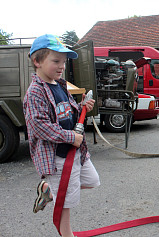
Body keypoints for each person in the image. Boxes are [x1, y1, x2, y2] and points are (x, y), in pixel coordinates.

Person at [23, 34, 100, 237]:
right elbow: (39, 125)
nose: (61, 66)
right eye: (56, 61)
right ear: (37, 61)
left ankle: (49, 189)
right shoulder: (35, 92)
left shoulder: (61, 85)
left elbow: (67, 114)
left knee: (92, 180)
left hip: (75, 153)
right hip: (57, 157)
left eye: (63, 62)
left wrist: (82, 106)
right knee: (66, 204)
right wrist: (69, 137)